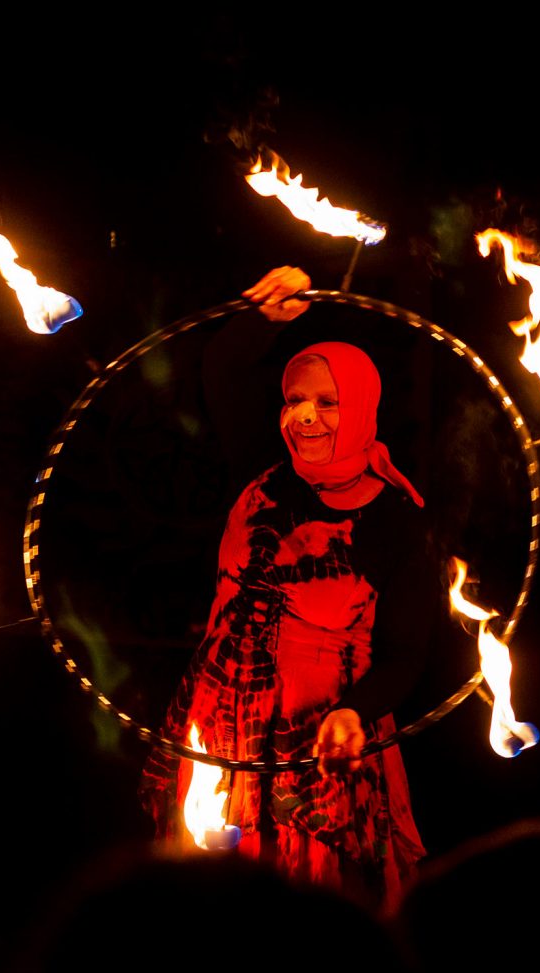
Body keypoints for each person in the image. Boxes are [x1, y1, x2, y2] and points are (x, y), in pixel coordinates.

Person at [140, 267, 437, 911]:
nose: (304, 417)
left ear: (361, 407)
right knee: (213, 899)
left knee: (307, 910)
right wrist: (264, 318)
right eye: (294, 400)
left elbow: (406, 653)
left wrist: (354, 712)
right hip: (222, 718)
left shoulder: (395, 519)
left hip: (324, 737)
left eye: (327, 403)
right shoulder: (263, 471)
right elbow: (222, 368)